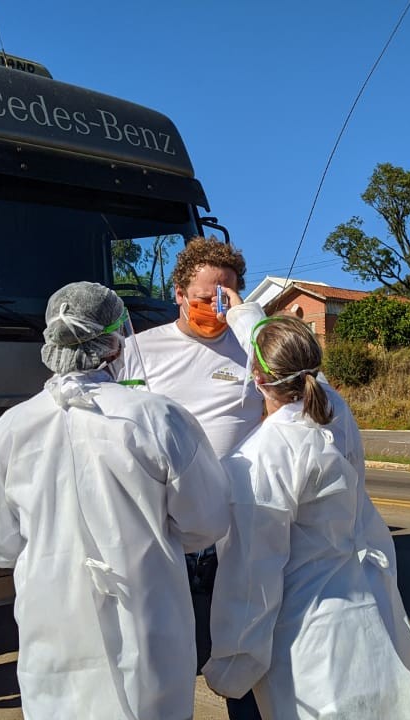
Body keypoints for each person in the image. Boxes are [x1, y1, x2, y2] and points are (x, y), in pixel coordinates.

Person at [0, 281, 231, 719]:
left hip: (54, 626)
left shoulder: (11, 429)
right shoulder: (158, 417)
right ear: (114, 343)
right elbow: (205, 521)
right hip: (146, 619)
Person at [204, 314, 410, 719]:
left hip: (300, 639)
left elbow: (253, 579)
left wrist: (232, 666)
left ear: (257, 380)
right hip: (362, 616)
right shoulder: (336, 418)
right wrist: (246, 317)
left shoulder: (257, 461)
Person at [115, 236, 266, 719]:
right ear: (177, 294)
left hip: (238, 530)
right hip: (165, 532)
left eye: (228, 299)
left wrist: (253, 327)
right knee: (165, 661)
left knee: (245, 659)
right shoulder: (138, 351)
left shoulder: (252, 350)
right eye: (205, 298)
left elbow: (303, 395)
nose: (215, 309)